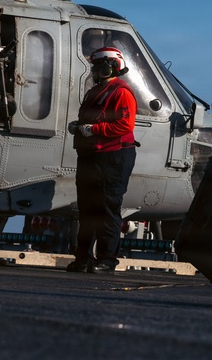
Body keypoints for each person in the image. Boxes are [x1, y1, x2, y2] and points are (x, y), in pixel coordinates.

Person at [66, 47, 138, 273]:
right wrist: (79, 127)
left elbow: (125, 125)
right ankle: (83, 258)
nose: (94, 71)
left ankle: (107, 260)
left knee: (107, 208)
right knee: (87, 209)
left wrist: (94, 129)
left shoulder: (121, 92)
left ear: (109, 66)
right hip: (90, 156)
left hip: (112, 158)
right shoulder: (95, 92)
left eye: (97, 66)